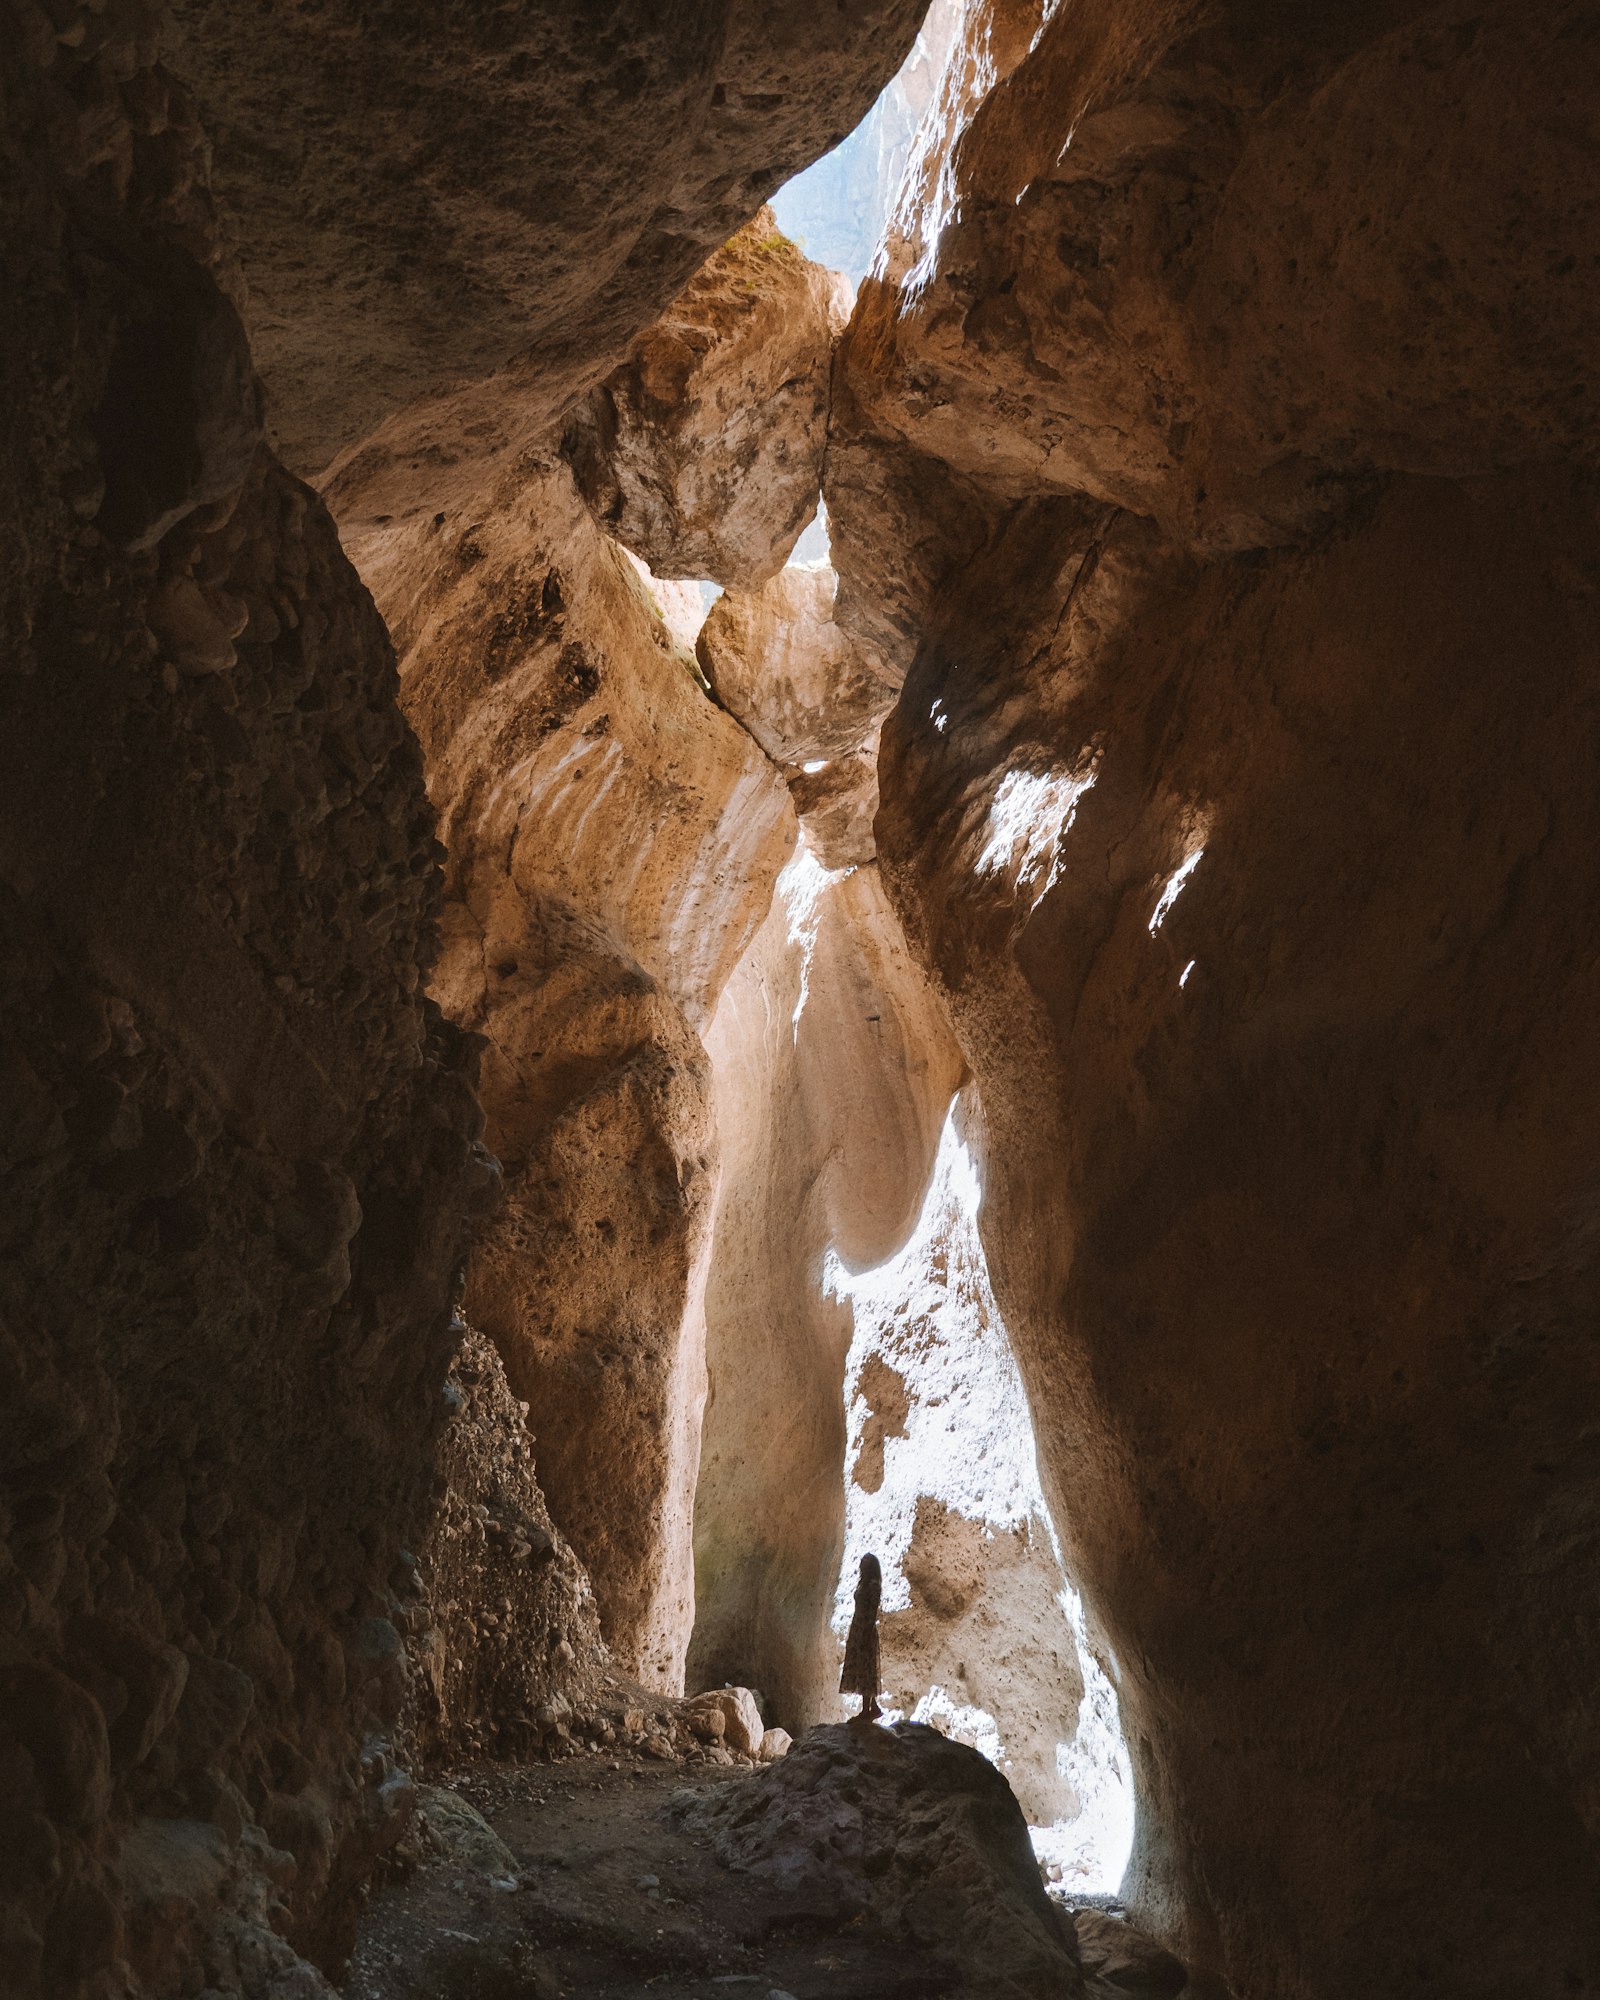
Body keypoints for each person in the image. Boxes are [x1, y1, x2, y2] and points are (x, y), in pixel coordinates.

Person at [839, 1552, 883, 1721]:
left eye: (865, 1563)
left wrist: (865, 1633)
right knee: (863, 1668)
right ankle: (873, 1706)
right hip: (858, 1628)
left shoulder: (873, 1585)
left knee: (866, 1669)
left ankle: (867, 1710)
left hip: (865, 1629)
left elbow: (872, 1611)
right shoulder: (865, 1584)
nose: (861, 1566)